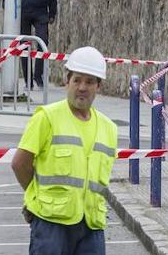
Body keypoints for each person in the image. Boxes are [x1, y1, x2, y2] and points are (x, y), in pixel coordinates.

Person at [10, 46, 116, 255]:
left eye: (89, 81)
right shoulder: (47, 117)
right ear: (67, 82)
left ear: (98, 86)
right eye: (77, 80)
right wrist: (37, 198)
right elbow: (20, 164)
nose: (82, 87)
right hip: (51, 224)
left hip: (91, 225)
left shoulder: (108, 128)